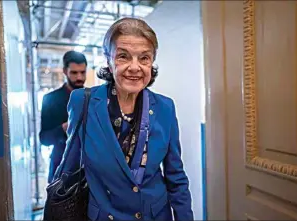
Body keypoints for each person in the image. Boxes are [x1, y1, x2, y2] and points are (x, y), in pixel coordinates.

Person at [56, 17, 193, 221]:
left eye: (144, 58)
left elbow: (176, 178)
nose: (135, 67)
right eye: (123, 56)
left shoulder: (165, 107)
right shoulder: (83, 102)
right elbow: (68, 168)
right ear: (109, 61)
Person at [39, 50, 87, 183]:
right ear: (65, 71)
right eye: (74, 72)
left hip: (88, 170)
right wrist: (64, 128)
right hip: (60, 170)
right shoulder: (50, 99)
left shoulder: (93, 98)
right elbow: (44, 139)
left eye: (83, 72)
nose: (79, 77)